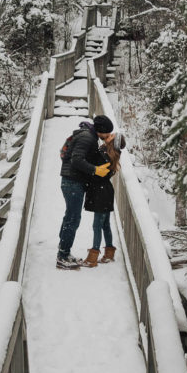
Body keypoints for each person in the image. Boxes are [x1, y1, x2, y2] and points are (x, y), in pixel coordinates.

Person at [56, 114, 114, 269]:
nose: (108, 137)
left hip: (73, 181)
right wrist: (95, 170)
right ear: (100, 131)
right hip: (72, 182)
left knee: (70, 216)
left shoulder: (88, 136)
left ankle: (63, 251)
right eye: (107, 134)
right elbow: (76, 159)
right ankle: (62, 256)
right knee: (73, 218)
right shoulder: (87, 138)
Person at [82, 131, 125, 267]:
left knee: (97, 225)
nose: (109, 135)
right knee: (105, 224)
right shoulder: (108, 154)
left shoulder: (105, 156)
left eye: (112, 136)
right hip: (104, 191)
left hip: (101, 192)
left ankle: (92, 258)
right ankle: (109, 253)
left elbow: (94, 171)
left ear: (113, 142)